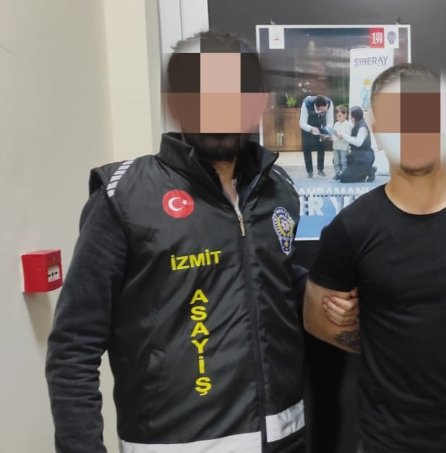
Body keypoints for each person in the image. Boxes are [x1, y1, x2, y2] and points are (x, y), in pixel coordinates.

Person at [45, 31, 352, 453]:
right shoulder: (125, 196)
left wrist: (326, 294)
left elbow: (265, 276)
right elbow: (73, 346)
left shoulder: (277, 188)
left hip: (285, 437)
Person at [303, 63, 446, 453]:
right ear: (377, 131)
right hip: (386, 439)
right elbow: (316, 318)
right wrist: (378, 330)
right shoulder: (351, 227)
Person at [334, 106, 376, 183]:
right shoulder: (355, 124)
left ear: (354, 117)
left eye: (350, 115)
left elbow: (358, 143)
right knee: (337, 159)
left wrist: (344, 136)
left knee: (344, 178)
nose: (349, 117)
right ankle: (365, 171)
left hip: (364, 159)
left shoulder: (362, 127)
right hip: (356, 156)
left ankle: (368, 172)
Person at [299, 94, 334, 178]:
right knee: (306, 147)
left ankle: (320, 170)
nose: (326, 110)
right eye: (323, 109)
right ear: (318, 107)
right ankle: (309, 171)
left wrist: (325, 131)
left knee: (321, 146)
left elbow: (330, 121)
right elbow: (302, 123)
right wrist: (311, 128)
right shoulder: (306, 104)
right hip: (308, 125)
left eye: (327, 108)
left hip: (321, 125)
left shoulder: (329, 103)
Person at [331, 104, 351, 178]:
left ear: (345, 115)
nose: (338, 118)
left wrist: (340, 136)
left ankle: (344, 175)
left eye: (340, 116)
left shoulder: (348, 124)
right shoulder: (336, 124)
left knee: (343, 161)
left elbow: (348, 136)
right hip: (336, 146)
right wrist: (331, 137)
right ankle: (337, 174)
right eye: (337, 116)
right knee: (336, 161)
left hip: (343, 147)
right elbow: (333, 134)